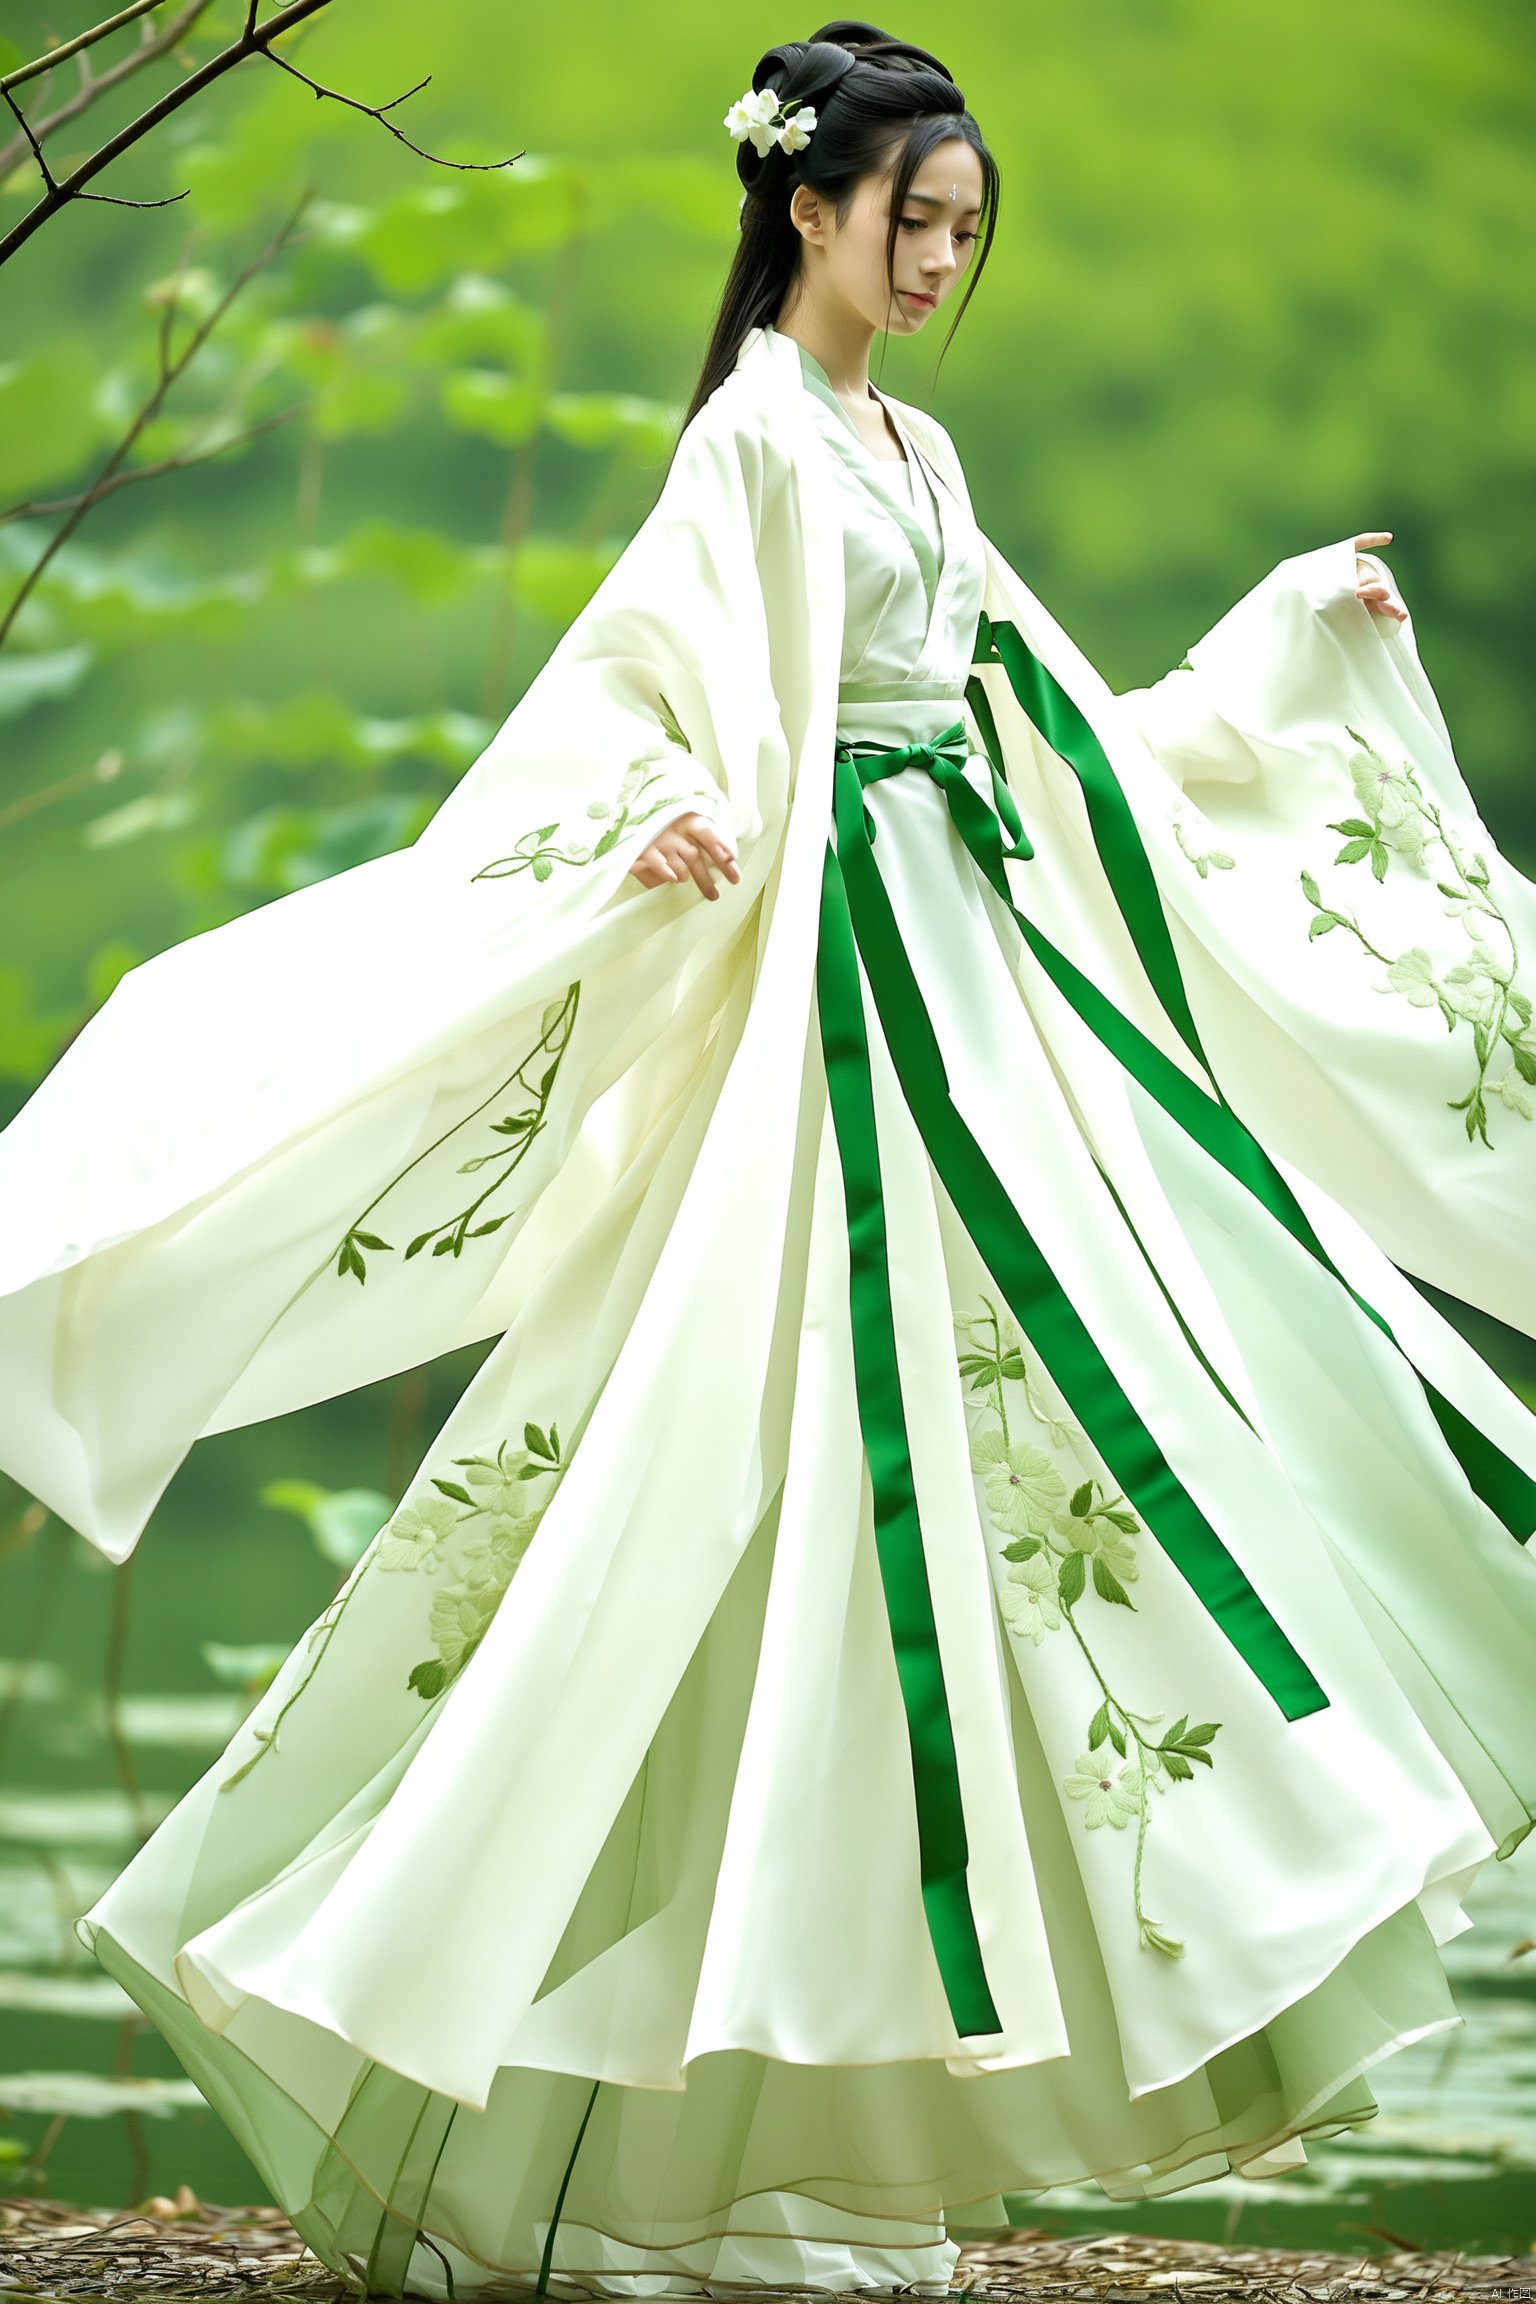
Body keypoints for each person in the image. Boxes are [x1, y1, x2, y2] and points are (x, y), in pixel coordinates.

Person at [1, 18, 1534, 2299]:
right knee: (772, 1478)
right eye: (911, 218)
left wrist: (1285, 638)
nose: (938, 260)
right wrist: (658, 817)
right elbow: (629, 694)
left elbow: (1049, 716)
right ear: (804, 209)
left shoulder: (911, 448)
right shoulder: (755, 448)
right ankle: (532, 2057)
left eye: (966, 229)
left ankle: (824, 2103)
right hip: (836, 1005)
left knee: (1143, 1396)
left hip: (978, 982)